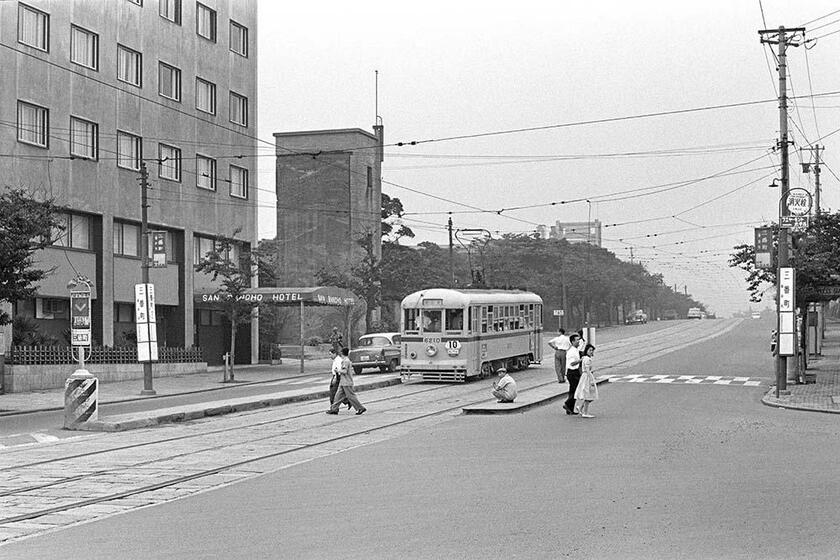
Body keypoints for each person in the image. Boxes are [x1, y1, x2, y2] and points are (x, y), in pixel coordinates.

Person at [326, 348, 367, 415]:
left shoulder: (346, 361)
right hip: (343, 382)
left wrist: (338, 371)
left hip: (347, 382)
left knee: (351, 396)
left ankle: (360, 408)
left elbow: (344, 371)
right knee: (337, 396)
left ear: (342, 353)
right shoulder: (344, 360)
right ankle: (334, 409)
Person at [574, 344, 598, 418]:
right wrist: (591, 380)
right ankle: (585, 412)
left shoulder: (585, 358)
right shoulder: (587, 359)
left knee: (587, 394)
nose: (591, 352)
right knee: (588, 395)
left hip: (585, 376)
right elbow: (587, 370)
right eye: (590, 350)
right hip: (587, 377)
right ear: (586, 351)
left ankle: (580, 407)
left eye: (592, 350)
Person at [562, 333, 582, 415]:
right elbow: (572, 363)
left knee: (572, 390)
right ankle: (567, 403)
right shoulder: (571, 352)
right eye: (577, 340)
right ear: (572, 342)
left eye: (579, 340)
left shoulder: (576, 350)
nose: (578, 342)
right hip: (572, 372)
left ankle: (569, 409)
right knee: (575, 390)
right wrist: (581, 360)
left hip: (575, 372)